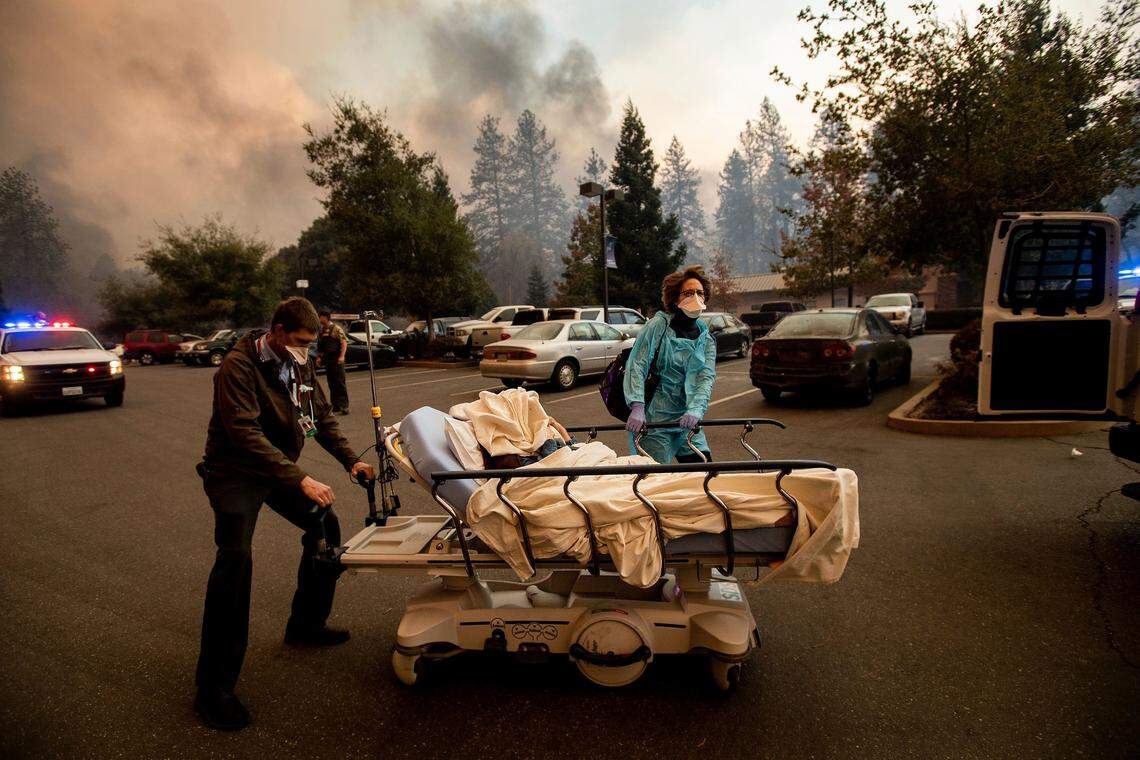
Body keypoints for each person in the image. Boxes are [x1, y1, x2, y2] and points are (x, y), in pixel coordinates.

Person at [194, 297, 375, 731]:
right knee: (235, 559)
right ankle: (212, 688)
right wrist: (300, 479)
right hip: (234, 470)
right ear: (276, 330)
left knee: (323, 524)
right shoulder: (237, 367)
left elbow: (321, 418)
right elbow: (244, 433)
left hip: (277, 469)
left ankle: (306, 624)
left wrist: (351, 460)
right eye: (298, 341)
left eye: (310, 344)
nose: (305, 351)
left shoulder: (298, 365)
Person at [623, 265, 717, 464]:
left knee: (703, 471)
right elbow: (637, 364)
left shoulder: (705, 338)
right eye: (688, 293)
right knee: (653, 481)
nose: (695, 297)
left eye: (700, 293)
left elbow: (705, 378)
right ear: (676, 298)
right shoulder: (659, 326)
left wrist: (696, 410)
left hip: (686, 420)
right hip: (654, 421)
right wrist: (637, 405)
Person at [316, 310, 349, 414]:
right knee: (331, 383)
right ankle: (335, 406)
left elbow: (344, 342)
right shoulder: (322, 331)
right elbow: (321, 347)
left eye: (320, 317)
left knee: (340, 383)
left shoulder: (336, 329)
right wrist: (319, 357)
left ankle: (344, 406)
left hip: (337, 359)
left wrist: (342, 356)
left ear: (326, 317)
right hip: (328, 360)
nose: (319, 319)